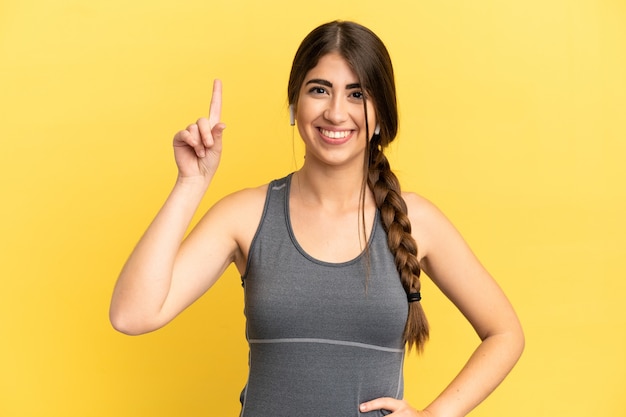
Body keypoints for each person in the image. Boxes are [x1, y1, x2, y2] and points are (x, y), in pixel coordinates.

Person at [110, 20, 524, 417]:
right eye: (320, 90)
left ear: (381, 115)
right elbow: (132, 315)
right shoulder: (246, 215)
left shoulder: (418, 220)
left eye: (357, 94)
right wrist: (190, 183)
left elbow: (506, 334)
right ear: (294, 104)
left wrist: (437, 412)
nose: (336, 112)